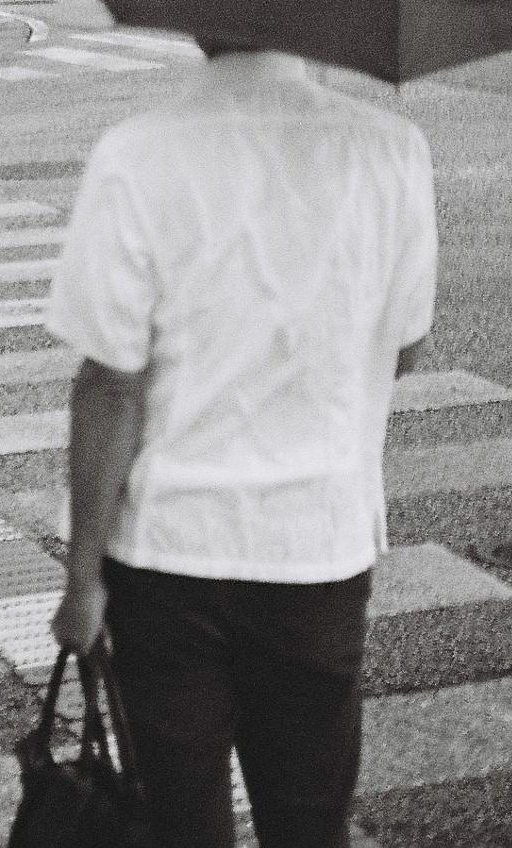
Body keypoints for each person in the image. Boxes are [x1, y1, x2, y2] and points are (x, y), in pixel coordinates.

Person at [47, 47, 436, 848]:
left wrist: (81, 580)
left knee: (182, 821)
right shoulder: (390, 148)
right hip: (315, 549)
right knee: (307, 821)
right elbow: (404, 344)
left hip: (166, 556)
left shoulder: (139, 151)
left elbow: (110, 386)